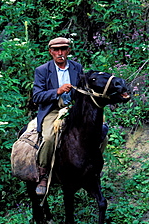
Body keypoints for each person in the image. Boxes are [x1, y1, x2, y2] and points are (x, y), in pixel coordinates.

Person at [32, 36, 108, 195]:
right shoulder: (42, 70)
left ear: (69, 51)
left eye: (63, 49)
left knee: (101, 133)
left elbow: (84, 91)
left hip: (74, 109)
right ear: (50, 52)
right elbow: (37, 96)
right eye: (56, 50)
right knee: (48, 138)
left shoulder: (77, 67)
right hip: (52, 111)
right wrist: (57, 91)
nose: (60, 53)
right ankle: (43, 173)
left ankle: (92, 169)